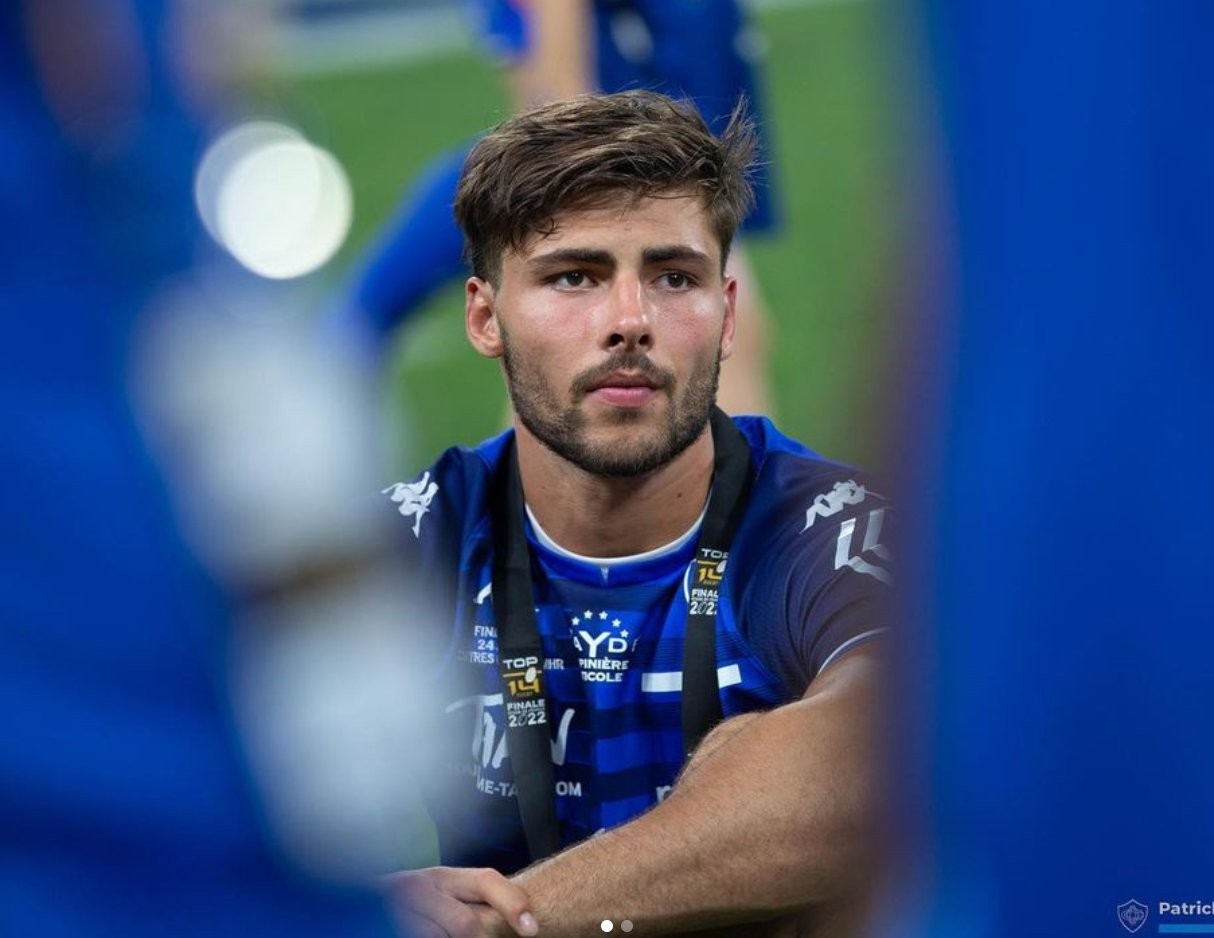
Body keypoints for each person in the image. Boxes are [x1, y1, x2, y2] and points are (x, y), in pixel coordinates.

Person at [382, 91, 890, 937]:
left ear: (728, 315)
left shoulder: (824, 530)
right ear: (484, 316)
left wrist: (513, 921)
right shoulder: (421, 538)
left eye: (673, 277)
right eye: (573, 276)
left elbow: (873, 762)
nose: (629, 322)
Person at [336, 0, 780, 416]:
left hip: (666, 126)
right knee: (712, 342)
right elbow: (551, 95)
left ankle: (351, 326)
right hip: (643, 145)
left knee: (573, 372)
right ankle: (350, 327)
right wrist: (582, 167)